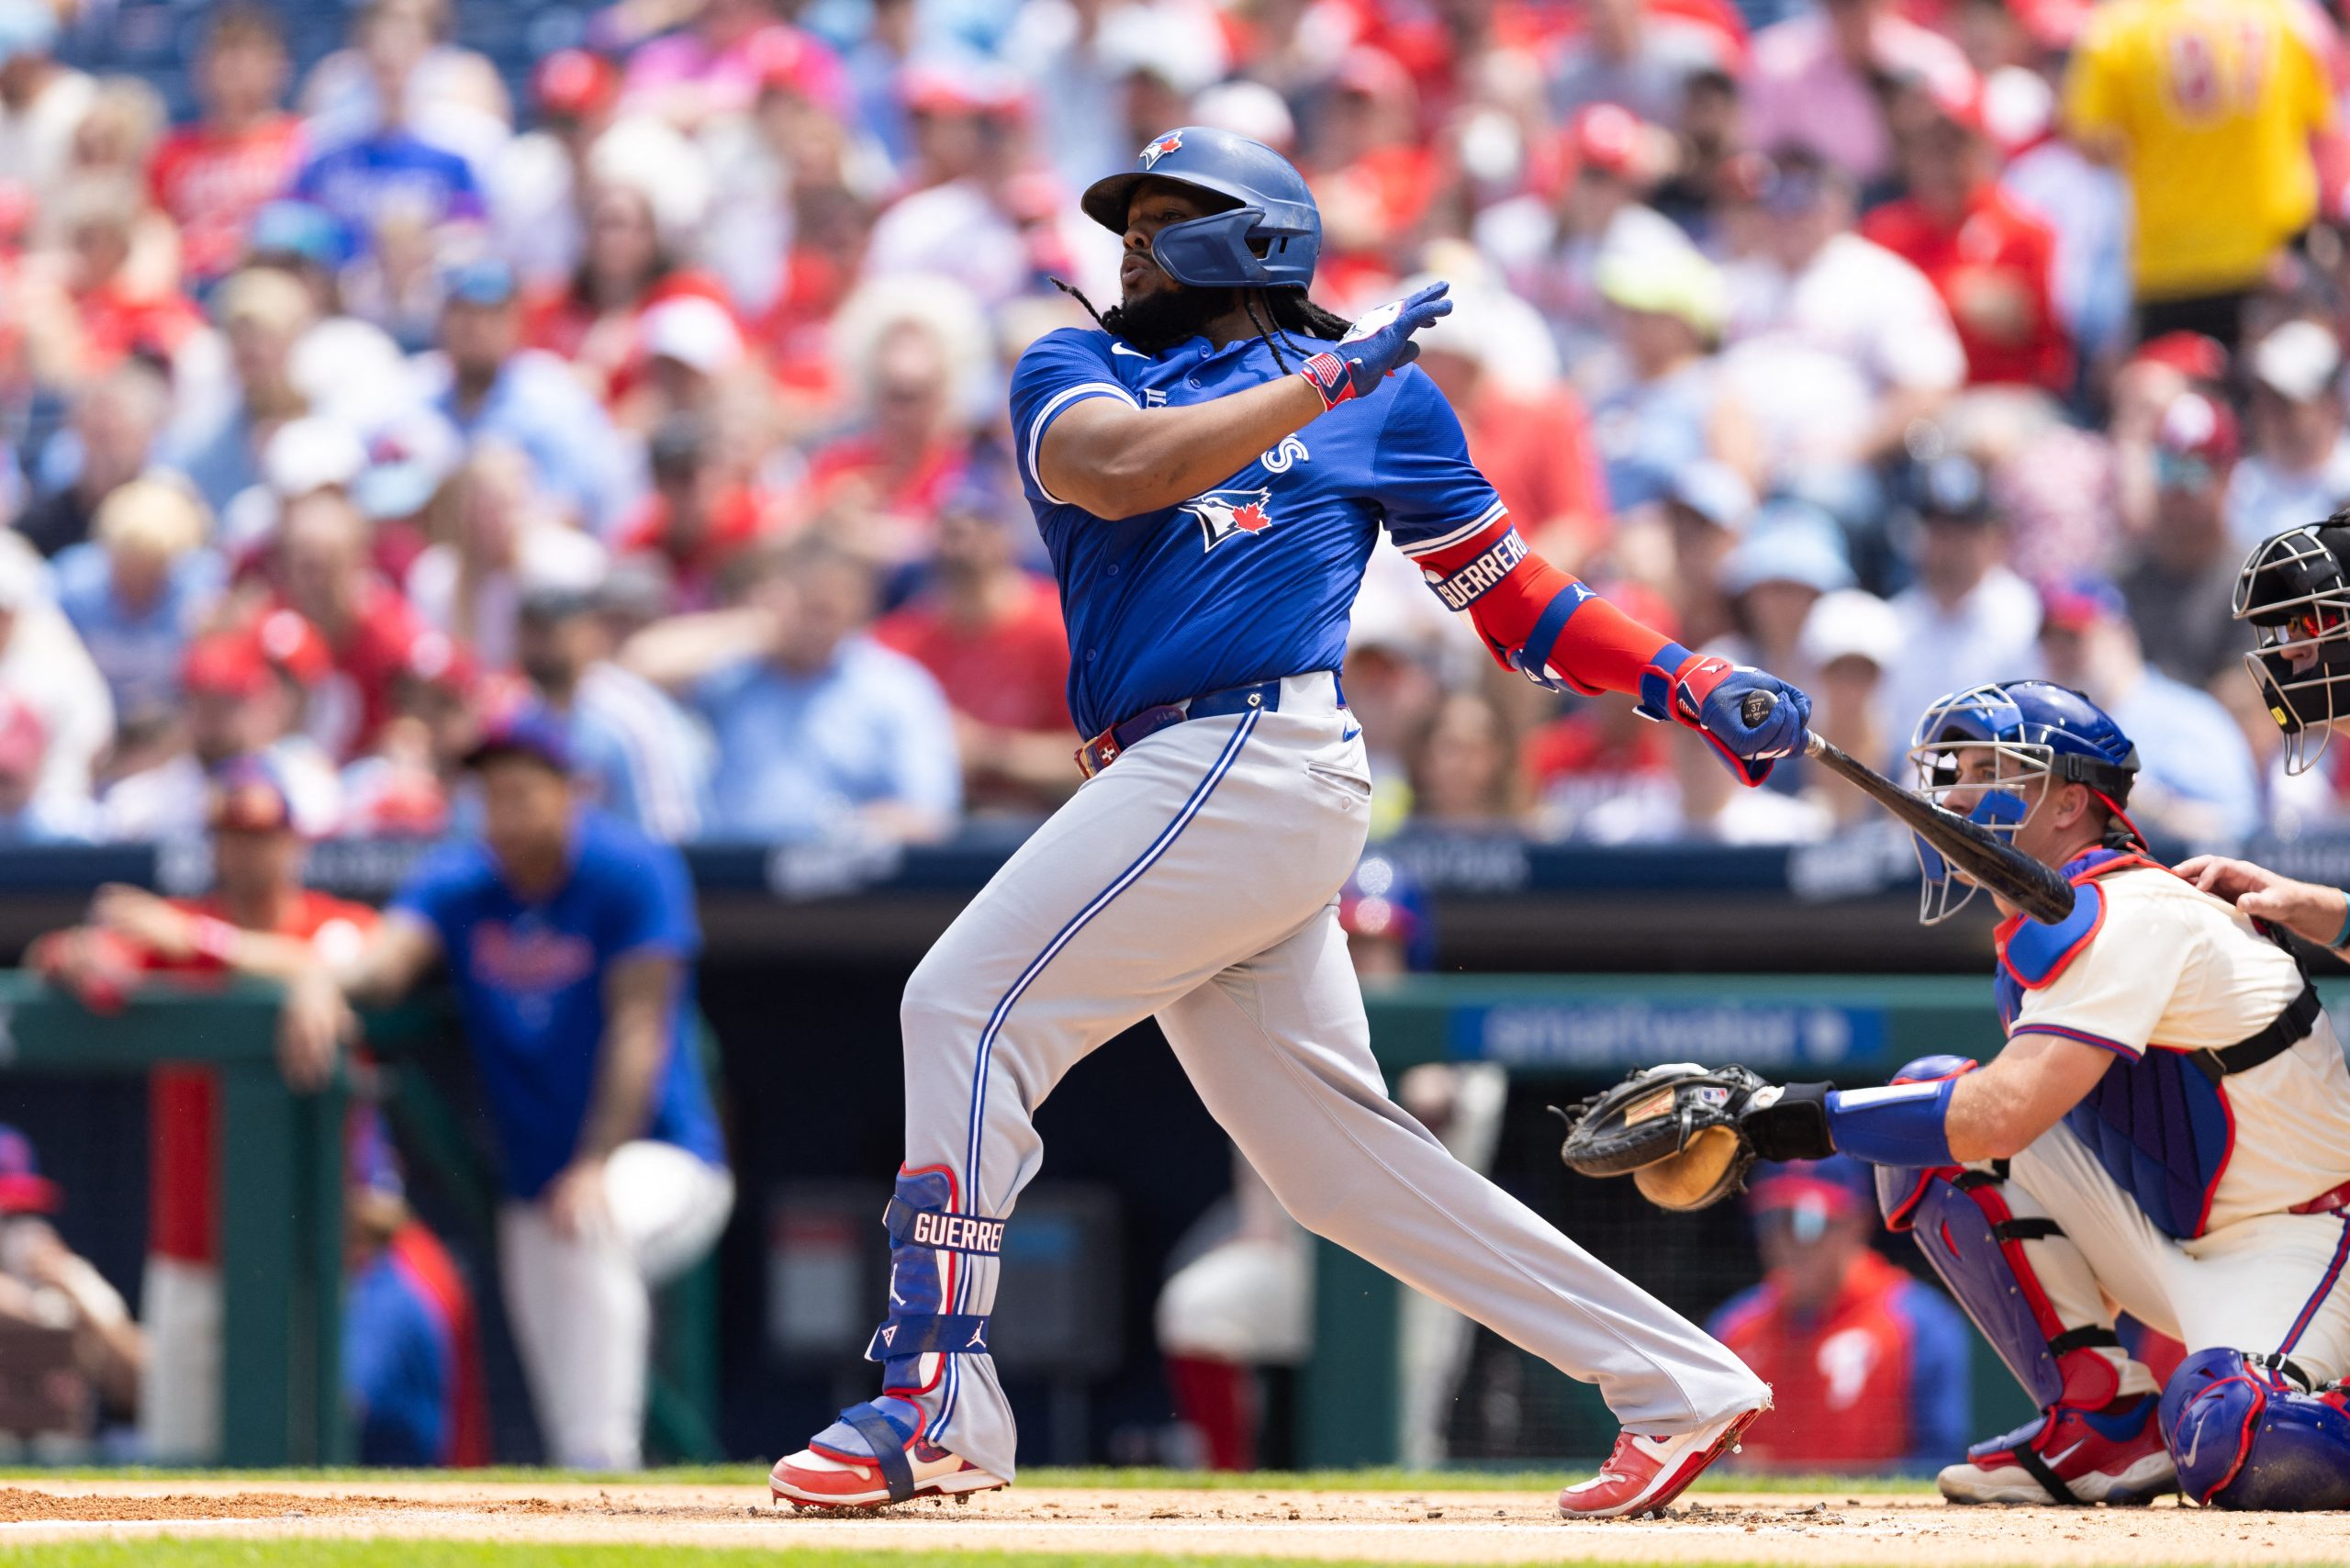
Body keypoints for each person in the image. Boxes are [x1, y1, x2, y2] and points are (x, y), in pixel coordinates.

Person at [763, 125, 1810, 1518]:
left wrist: (1684, 676)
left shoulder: (1387, 405)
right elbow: (1122, 473)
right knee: (1335, 1166)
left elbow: (1512, 600)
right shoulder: (1078, 364)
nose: (1130, 241)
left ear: (1255, 235)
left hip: (1256, 749)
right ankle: (1676, 1380)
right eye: (1125, 217)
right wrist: (1327, 376)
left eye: (1164, 214)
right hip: (1180, 775)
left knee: (961, 1005)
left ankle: (934, 1400)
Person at [1716, 679, 2350, 1508]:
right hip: (2180, 1236)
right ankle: (2103, 1420)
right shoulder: (2066, 915)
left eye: (1998, 772)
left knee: (2235, 1439)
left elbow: (2005, 1111)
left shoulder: (2134, 909)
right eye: (1961, 770)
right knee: (1928, 1105)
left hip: (2306, 1243)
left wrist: (1784, 1119)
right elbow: (1979, 1119)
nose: (1967, 793)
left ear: (2070, 806)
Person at [280, 713, 733, 1470]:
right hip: (535, 1187)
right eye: (490, 796)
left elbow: (639, 1028)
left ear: (572, 792)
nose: (505, 814)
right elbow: (388, 962)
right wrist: (320, 978)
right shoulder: (462, 882)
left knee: (596, 1225)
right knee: (561, 1387)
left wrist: (596, 1160)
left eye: (523, 793)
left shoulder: (631, 868)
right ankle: (591, 1506)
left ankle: (609, 1485)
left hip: (663, 1160)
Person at [29, 756, 377, 1461]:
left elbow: (348, 961)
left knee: (302, 1456)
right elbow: (66, 951)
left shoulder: (328, 924)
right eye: (230, 833)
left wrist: (205, 946)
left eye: (261, 833)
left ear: (295, 840)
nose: (246, 849)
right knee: (178, 1459)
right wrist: (74, 955)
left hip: (306, 1247)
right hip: (188, 1241)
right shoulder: (181, 925)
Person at [638, 534, 962, 845]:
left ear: (855, 610)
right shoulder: (735, 673)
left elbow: (932, 814)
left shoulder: (895, 688)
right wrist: (752, 625)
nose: (813, 626)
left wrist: (853, 832)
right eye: (804, 608)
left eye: (825, 611)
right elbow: (638, 668)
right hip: (733, 883)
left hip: (853, 888)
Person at [2064, 0, 2332, 348]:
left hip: (2171, 259)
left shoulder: (2119, 27)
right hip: (2271, 251)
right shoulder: (2284, 15)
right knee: (2274, 393)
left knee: (2182, 392)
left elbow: (2090, 141)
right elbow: (2319, 126)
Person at [1707, 1156, 1971, 1475]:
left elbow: (1939, 1462)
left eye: (1808, 1221)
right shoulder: (1733, 1327)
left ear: (1856, 1222)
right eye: (1772, 1220)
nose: (1787, 1241)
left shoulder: (1920, 1324)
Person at [148, 6, 308, 289]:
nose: (233, 67)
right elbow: (152, 233)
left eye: (247, 53)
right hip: (189, 290)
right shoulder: (170, 151)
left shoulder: (302, 141)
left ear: (278, 65)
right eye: (223, 52)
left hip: (275, 288)